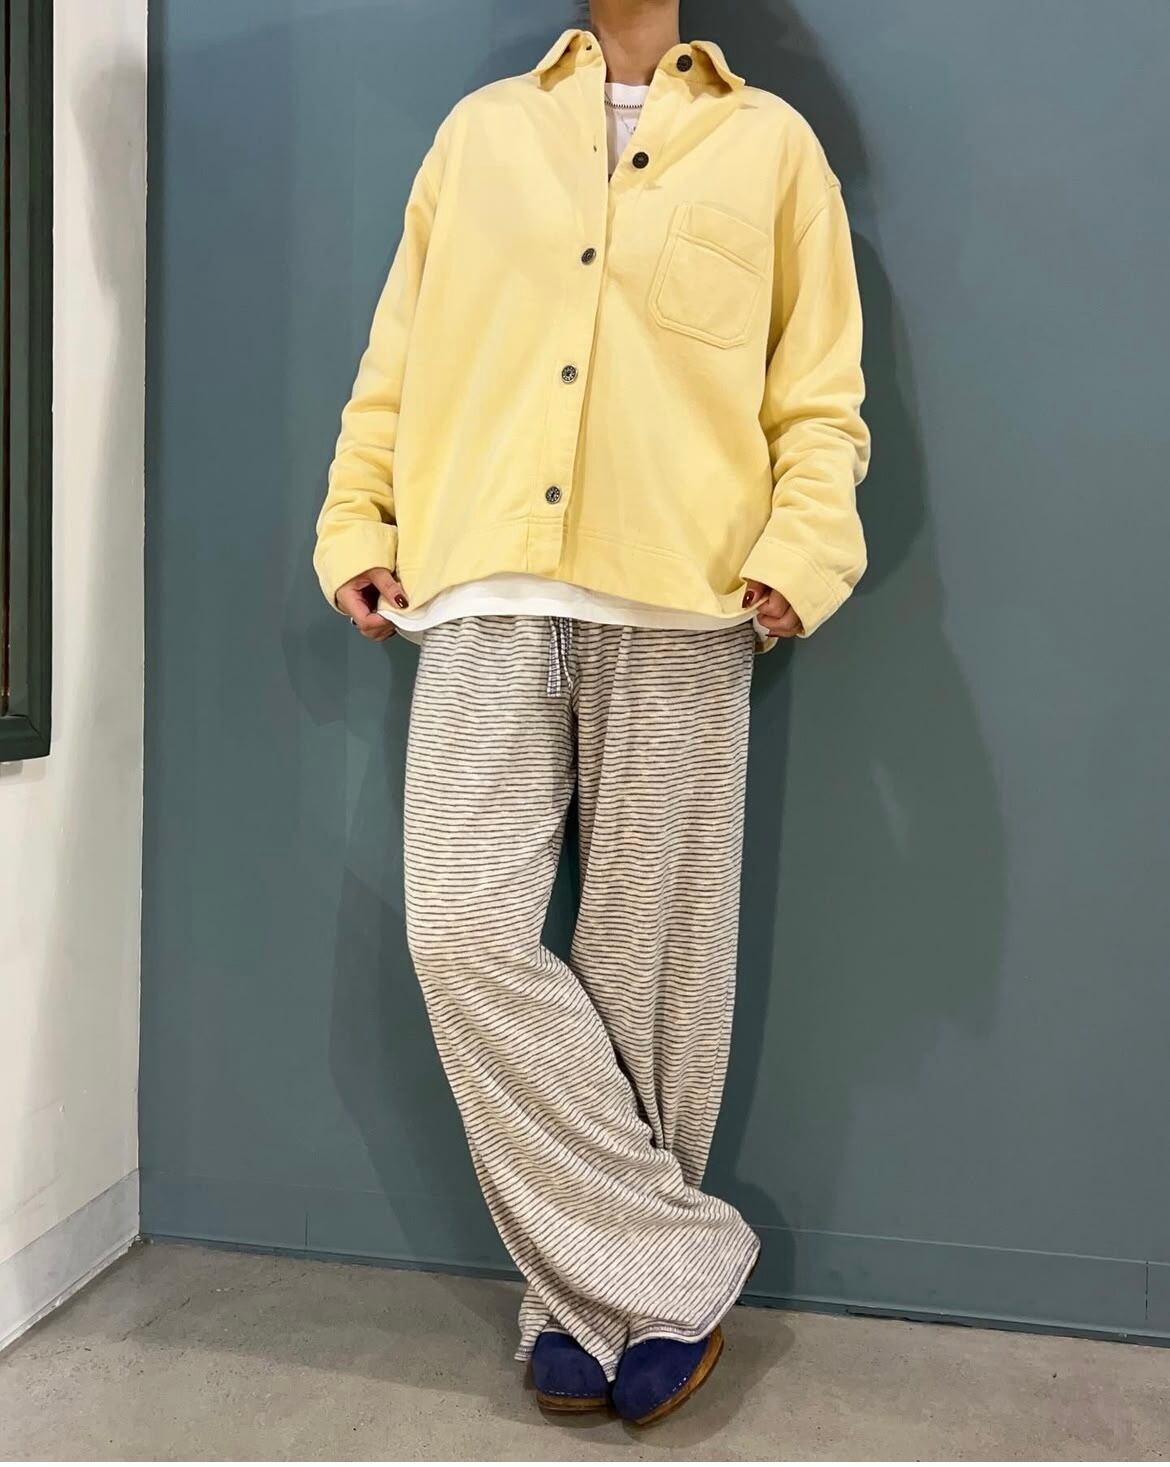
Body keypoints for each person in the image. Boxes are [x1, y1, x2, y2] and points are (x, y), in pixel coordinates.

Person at [312, 0, 870, 1428]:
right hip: (482, 584)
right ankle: (673, 1270)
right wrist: (355, 518)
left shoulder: (771, 146)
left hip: (686, 598)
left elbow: (818, 397)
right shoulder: (480, 134)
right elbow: (395, 364)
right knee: (459, 931)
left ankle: (583, 1306)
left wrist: (805, 547)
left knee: (652, 970)